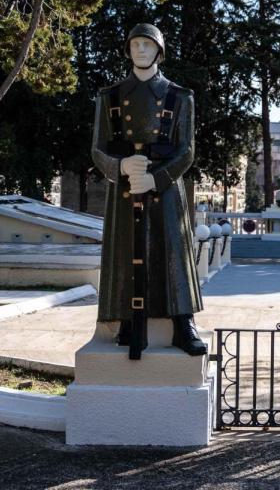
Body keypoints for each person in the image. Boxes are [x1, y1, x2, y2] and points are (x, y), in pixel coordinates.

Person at [90, 23, 207, 358]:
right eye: (135, 44)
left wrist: (156, 179)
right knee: (126, 249)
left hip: (165, 188)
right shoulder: (109, 97)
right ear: (127, 50)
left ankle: (183, 324)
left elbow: (187, 151)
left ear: (159, 50)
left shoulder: (179, 97)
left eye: (147, 44)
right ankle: (126, 320)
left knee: (173, 251)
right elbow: (98, 149)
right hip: (125, 189)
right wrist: (121, 167)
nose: (140, 50)